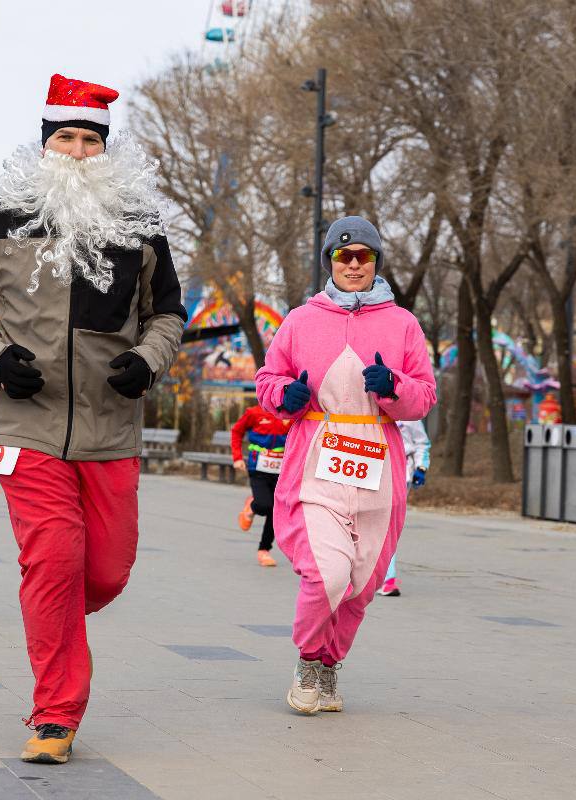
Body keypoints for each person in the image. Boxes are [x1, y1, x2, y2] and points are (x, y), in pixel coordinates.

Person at [0, 73, 186, 765]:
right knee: (52, 564)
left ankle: (54, 625)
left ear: (104, 150)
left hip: (111, 430)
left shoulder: (139, 222)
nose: (76, 151)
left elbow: (167, 313)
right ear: (44, 144)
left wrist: (147, 358)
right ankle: (54, 715)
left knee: (102, 572)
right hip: (26, 427)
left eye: (88, 140)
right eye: (64, 138)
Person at [254, 216, 436, 716]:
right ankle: (308, 659)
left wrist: (395, 387)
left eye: (363, 256)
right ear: (330, 261)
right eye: (343, 256)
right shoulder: (300, 319)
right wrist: (283, 395)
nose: (353, 265)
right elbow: (268, 378)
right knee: (327, 574)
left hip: (378, 464)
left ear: (376, 261)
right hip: (317, 458)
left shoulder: (402, 323)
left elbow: (424, 395)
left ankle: (331, 664)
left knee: (360, 585)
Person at [230, 404, 293, 567]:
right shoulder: (254, 413)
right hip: (257, 467)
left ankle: (264, 550)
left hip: (281, 470)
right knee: (265, 505)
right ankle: (252, 507)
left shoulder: (291, 414)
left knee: (276, 511)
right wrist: (237, 457)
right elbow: (237, 431)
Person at [377, 418, 431, 597]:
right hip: (370, 470)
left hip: (400, 473)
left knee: (388, 527)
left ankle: (388, 579)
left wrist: (421, 468)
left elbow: (422, 442)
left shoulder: (409, 413)